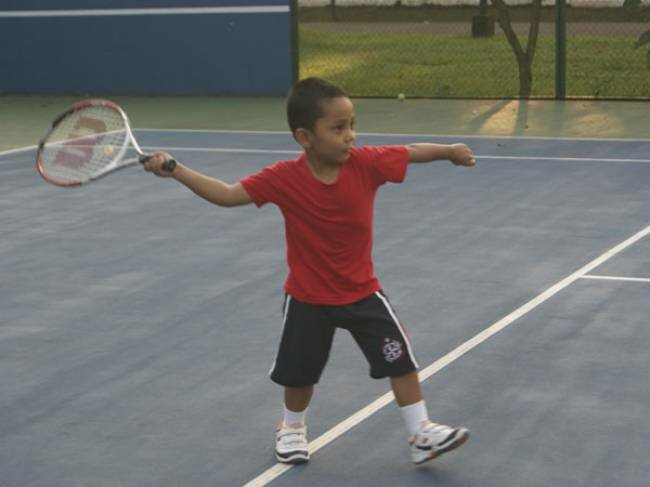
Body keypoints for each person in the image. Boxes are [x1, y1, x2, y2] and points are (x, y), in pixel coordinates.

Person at [143, 77, 476, 465]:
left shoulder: (366, 164)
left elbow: (411, 151)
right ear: (305, 137)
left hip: (363, 292)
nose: (350, 135)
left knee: (400, 358)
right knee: (299, 375)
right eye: (338, 128)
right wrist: (176, 170)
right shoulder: (284, 178)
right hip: (307, 297)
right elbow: (227, 194)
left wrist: (449, 151)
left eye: (352, 124)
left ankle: (421, 433)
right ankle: (292, 429)